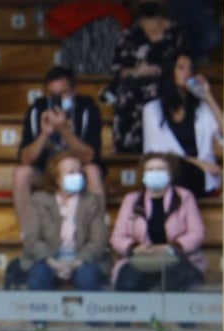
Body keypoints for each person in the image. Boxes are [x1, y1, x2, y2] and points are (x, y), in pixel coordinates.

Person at [14, 65, 104, 235]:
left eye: (63, 94)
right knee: (21, 173)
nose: (59, 100)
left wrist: (64, 130)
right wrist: (44, 134)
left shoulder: (87, 108)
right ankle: (28, 234)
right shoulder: (37, 110)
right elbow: (25, 158)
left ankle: (95, 233)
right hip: (46, 171)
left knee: (93, 171)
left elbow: (89, 156)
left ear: (74, 90)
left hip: (78, 171)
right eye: (54, 95)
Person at [109, 152, 207, 292]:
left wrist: (171, 247)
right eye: (150, 170)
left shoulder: (184, 197)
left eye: (160, 169)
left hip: (177, 259)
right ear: (143, 174)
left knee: (174, 280)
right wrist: (134, 247)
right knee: (128, 280)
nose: (155, 173)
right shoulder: (131, 200)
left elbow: (197, 233)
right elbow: (117, 237)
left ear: (170, 173)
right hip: (141, 259)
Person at [108, 0, 186, 153]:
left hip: (167, 84)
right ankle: (128, 151)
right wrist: (136, 71)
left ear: (162, 0)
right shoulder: (128, 33)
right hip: (134, 85)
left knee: (160, 93)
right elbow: (117, 68)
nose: (149, 0)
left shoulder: (175, 32)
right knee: (126, 95)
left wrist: (162, 70)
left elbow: (184, 61)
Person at [18, 150, 109, 291]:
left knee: (89, 277)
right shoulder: (38, 200)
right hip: (47, 259)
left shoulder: (92, 201)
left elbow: (98, 241)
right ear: (57, 178)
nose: (77, 176)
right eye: (71, 173)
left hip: (81, 259)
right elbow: (31, 239)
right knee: (38, 277)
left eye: (79, 172)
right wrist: (51, 261)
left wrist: (76, 263)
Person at [141, 52, 224, 196]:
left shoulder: (201, 108)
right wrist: (200, 163)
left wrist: (208, 96)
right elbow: (160, 153)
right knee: (174, 170)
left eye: (190, 69)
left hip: (200, 176)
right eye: (181, 68)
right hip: (169, 173)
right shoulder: (152, 110)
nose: (187, 73)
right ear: (170, 72)